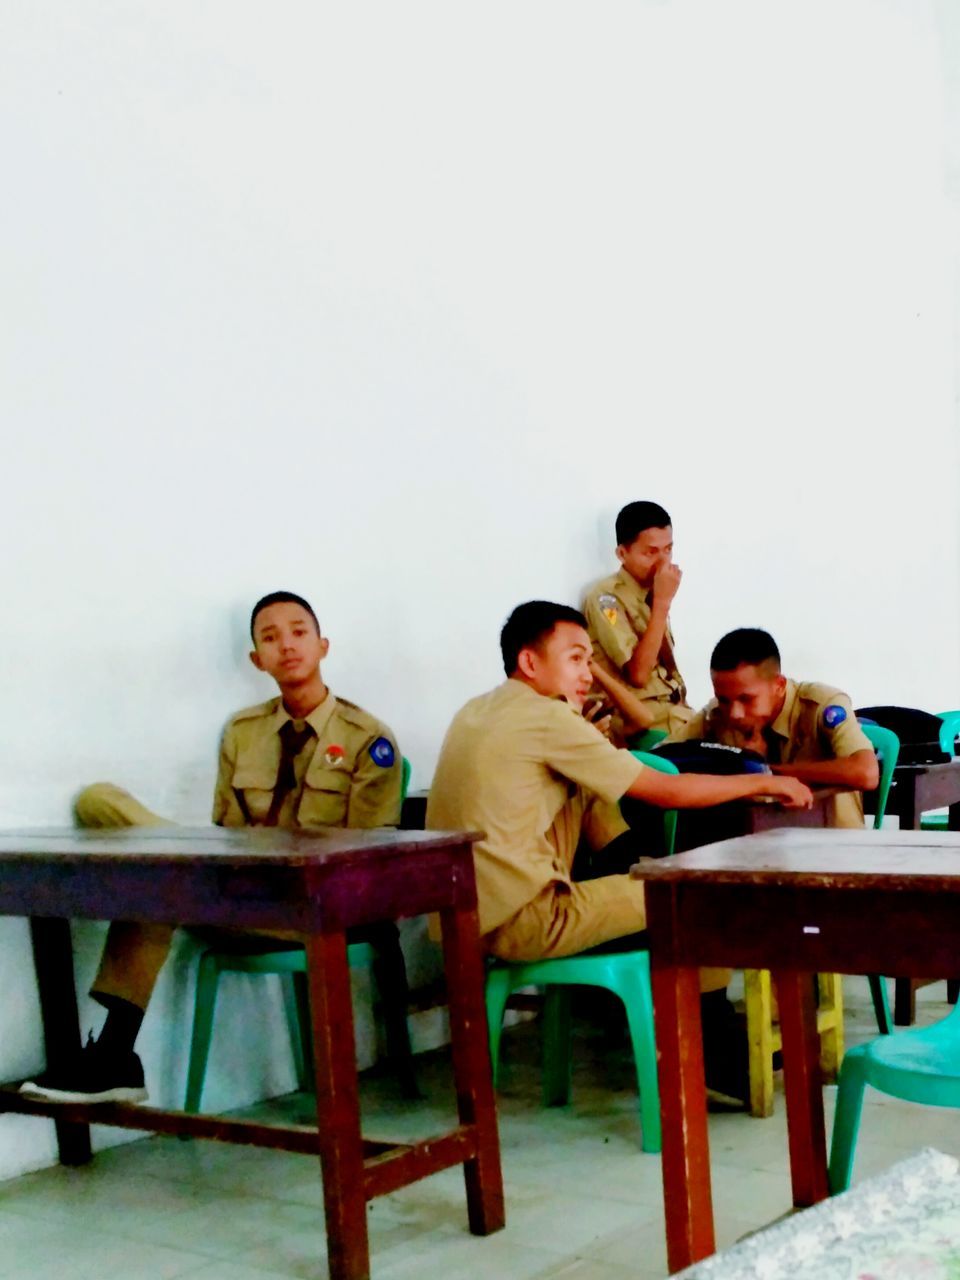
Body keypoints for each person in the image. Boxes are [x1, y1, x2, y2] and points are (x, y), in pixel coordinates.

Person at [21, 591, 412, 1104]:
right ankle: (115, 1058)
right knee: (101, 803)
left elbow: (366, 861)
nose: (287, 646)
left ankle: (115, 1054)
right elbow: (226, 829)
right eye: (270, 638)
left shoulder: (368, 739)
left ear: (323, 645)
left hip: (317, 903)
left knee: (158, 881)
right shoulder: (242, 732)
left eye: (298, 632)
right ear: (257, 660)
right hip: (238, 892)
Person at [426, 601, 812, 1099]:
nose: (587, 673)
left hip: (463, 921)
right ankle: (722, 1064)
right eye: (576, 658)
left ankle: (636, 880)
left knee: (592, 799)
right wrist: (763, 785)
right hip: (526, 919)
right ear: (530, 663)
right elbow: (667, 791)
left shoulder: (477, 710)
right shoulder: (547, 719)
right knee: (693, 896)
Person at [668, 628, 879, 828]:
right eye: (724, 700)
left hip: (831, 850)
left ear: (778, 685)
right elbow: (659, 762)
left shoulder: (820, 704)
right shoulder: (716, 714)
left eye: (746, 699)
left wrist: (764, 771)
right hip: (751, 850)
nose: (734, 713)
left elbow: (865, 773)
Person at [583, 501, 693, 739]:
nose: (663, 563)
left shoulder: (652, 591)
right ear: (622, 554)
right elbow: (639, 675)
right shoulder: (606, 598)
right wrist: (662, 603)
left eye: (668, 550)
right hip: (639, 719)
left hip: (673, 709)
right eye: (650, 552)